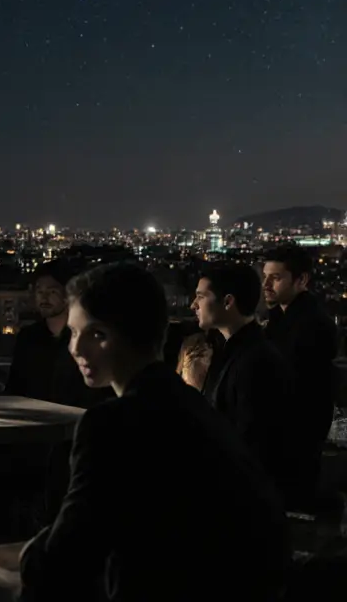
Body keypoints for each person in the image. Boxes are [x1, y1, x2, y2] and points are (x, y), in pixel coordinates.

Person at [19, 263, 289, 602]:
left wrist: (33, 553)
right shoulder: (190, 403)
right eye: (73, 333)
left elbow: (63, 559)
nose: (76, 348)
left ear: (132, 335)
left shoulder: (112, 422)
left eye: (96, 334)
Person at [193, 262, 296, 502]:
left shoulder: (256, 361)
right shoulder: (239, 351)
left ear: (228, 302)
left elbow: (251, 445)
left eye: (200, 296)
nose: (193, 305)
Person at [262, 245, 338, 510]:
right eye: (265, 277)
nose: (266, 285)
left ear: (301, 280)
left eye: (276, 277)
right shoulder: (281, 318)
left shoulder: (312, 326)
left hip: (296, 439)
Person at [8, 261, 113, 409]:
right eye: (39, 291)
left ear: (67, 295)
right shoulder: (28, 337)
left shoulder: (84, 339)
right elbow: (15, 387)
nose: (44, 298)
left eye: (52, 292)